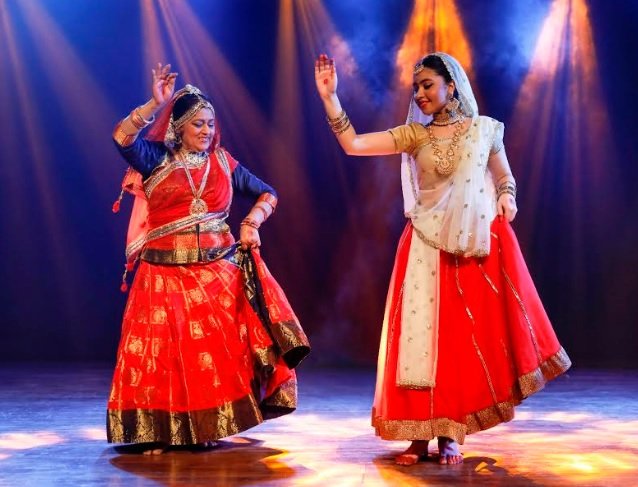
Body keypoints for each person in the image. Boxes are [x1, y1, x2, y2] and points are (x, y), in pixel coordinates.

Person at [314, 52, 571, 466]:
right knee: (420, 343)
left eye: (427, 84)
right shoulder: (416, 135)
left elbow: (504, 177)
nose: (420, 93)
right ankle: (417, 436)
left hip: (469, 248)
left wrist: (507, 197)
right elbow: (354, 144)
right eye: (416, 87)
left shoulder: (486, 131)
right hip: (422, 246)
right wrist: (331, 99)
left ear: (451, 86)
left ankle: (452, 431)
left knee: (459, 342)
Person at [107, 63, 309, 454]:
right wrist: (155, 102)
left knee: (210, 358)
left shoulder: (224, 163)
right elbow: (121, 137)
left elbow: (268, 193)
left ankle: (205, 425)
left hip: (215, 274)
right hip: (161, 275)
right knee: (161, 358)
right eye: (198, 124)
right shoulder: (156, 159)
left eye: (211, 125)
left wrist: (251, 223)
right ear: (179, 126)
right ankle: (157, 430)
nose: (206, 132)